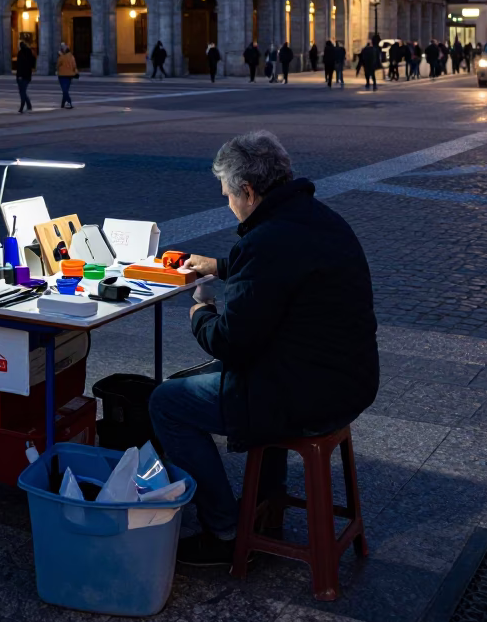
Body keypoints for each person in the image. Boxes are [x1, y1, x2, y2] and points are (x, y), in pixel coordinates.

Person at [149, 130, 379, 566]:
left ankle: (224, 530)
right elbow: (275, 271)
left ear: (249, 191)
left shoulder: (266, 241)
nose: (228, 203)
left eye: (228, 195)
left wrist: (201, 312)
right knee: (197, 380)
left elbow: (230, 342)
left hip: (303, 392)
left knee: (166, 401)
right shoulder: (314, 216)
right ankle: (268, 506)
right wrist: (218, 265)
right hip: (348, 379)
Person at [56, 41, 78, 108]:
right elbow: (74, 65)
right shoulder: (71, 57)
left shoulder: (61, 57)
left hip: (62, 75)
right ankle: (63, 104)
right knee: (65, 90)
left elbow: (57, 65)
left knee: (64, 90)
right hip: (70, 75)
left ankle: (69, 102)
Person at [16, 40, 35, 111]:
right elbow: (32, 63)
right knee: (23, 91)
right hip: (28, 75)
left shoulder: (21, 53)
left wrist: (19, 76)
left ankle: (22, 105)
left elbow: (19, 66)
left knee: (22, 91)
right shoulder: (29, 53)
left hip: (21, 76)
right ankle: (28, 105)